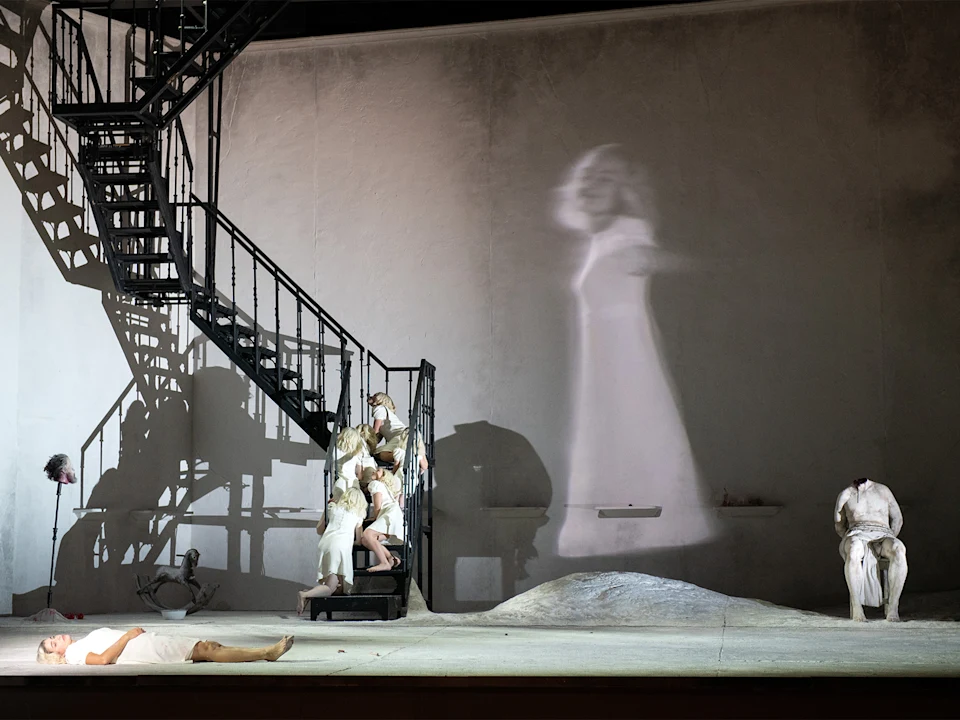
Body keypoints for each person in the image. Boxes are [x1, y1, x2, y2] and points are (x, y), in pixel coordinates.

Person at [553, 143, 712, 557]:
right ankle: (616, 536)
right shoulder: (596, 238)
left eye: (604, 179)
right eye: (587, 177)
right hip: (601, 363)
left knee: (633, 438)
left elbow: (653, 258)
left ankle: (644, 534)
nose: (591, 186)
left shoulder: (627, 233)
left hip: (625, 362)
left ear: (620, 188)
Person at [834, 477, 907, 622]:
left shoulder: (883, 490)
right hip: (857, 533)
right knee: (854, 549)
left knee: (898, 548)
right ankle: (857, 608)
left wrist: (890, 537)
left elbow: (897, 518)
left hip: (882, 533)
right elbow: (839, 525)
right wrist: (851, 538)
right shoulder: (846, 494)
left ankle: (893, 608)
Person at [37, 627, 294, 665]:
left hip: (147, 643)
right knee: (206, 650)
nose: (56, 638)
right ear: (56, 654)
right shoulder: (73, 654)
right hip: (145, 650)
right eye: (52, 643)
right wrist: (127, 637)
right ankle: (266, 653)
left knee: (209, 646)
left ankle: (264, 653)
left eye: (52, 637)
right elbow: (103, 659)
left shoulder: (79, 642)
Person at [297, 487, 369, 614]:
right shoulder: (358, 515)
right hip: (340, 548)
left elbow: (319, 530)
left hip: (325, 544)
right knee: (331, 588)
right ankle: (305, 594)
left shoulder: (332, 508)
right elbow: (358, 540)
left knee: (338, 588)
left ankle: (310, 593)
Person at [361, 468, 404, 572]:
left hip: (390, 513)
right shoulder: (383, 487)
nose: (374, 471)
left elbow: (377, 507)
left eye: (378, 470)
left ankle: (384, 563)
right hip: (393, 514)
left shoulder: (375, 484)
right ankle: (391, 558)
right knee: (365, 540)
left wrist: (375, 519)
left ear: (384, 476)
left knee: (367, 535)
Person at [332, 427, 367, 501]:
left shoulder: (334, 450)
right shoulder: (357, 452)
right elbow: (359, 473)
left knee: (339, 504)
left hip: (339, 481)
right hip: (352, 482)